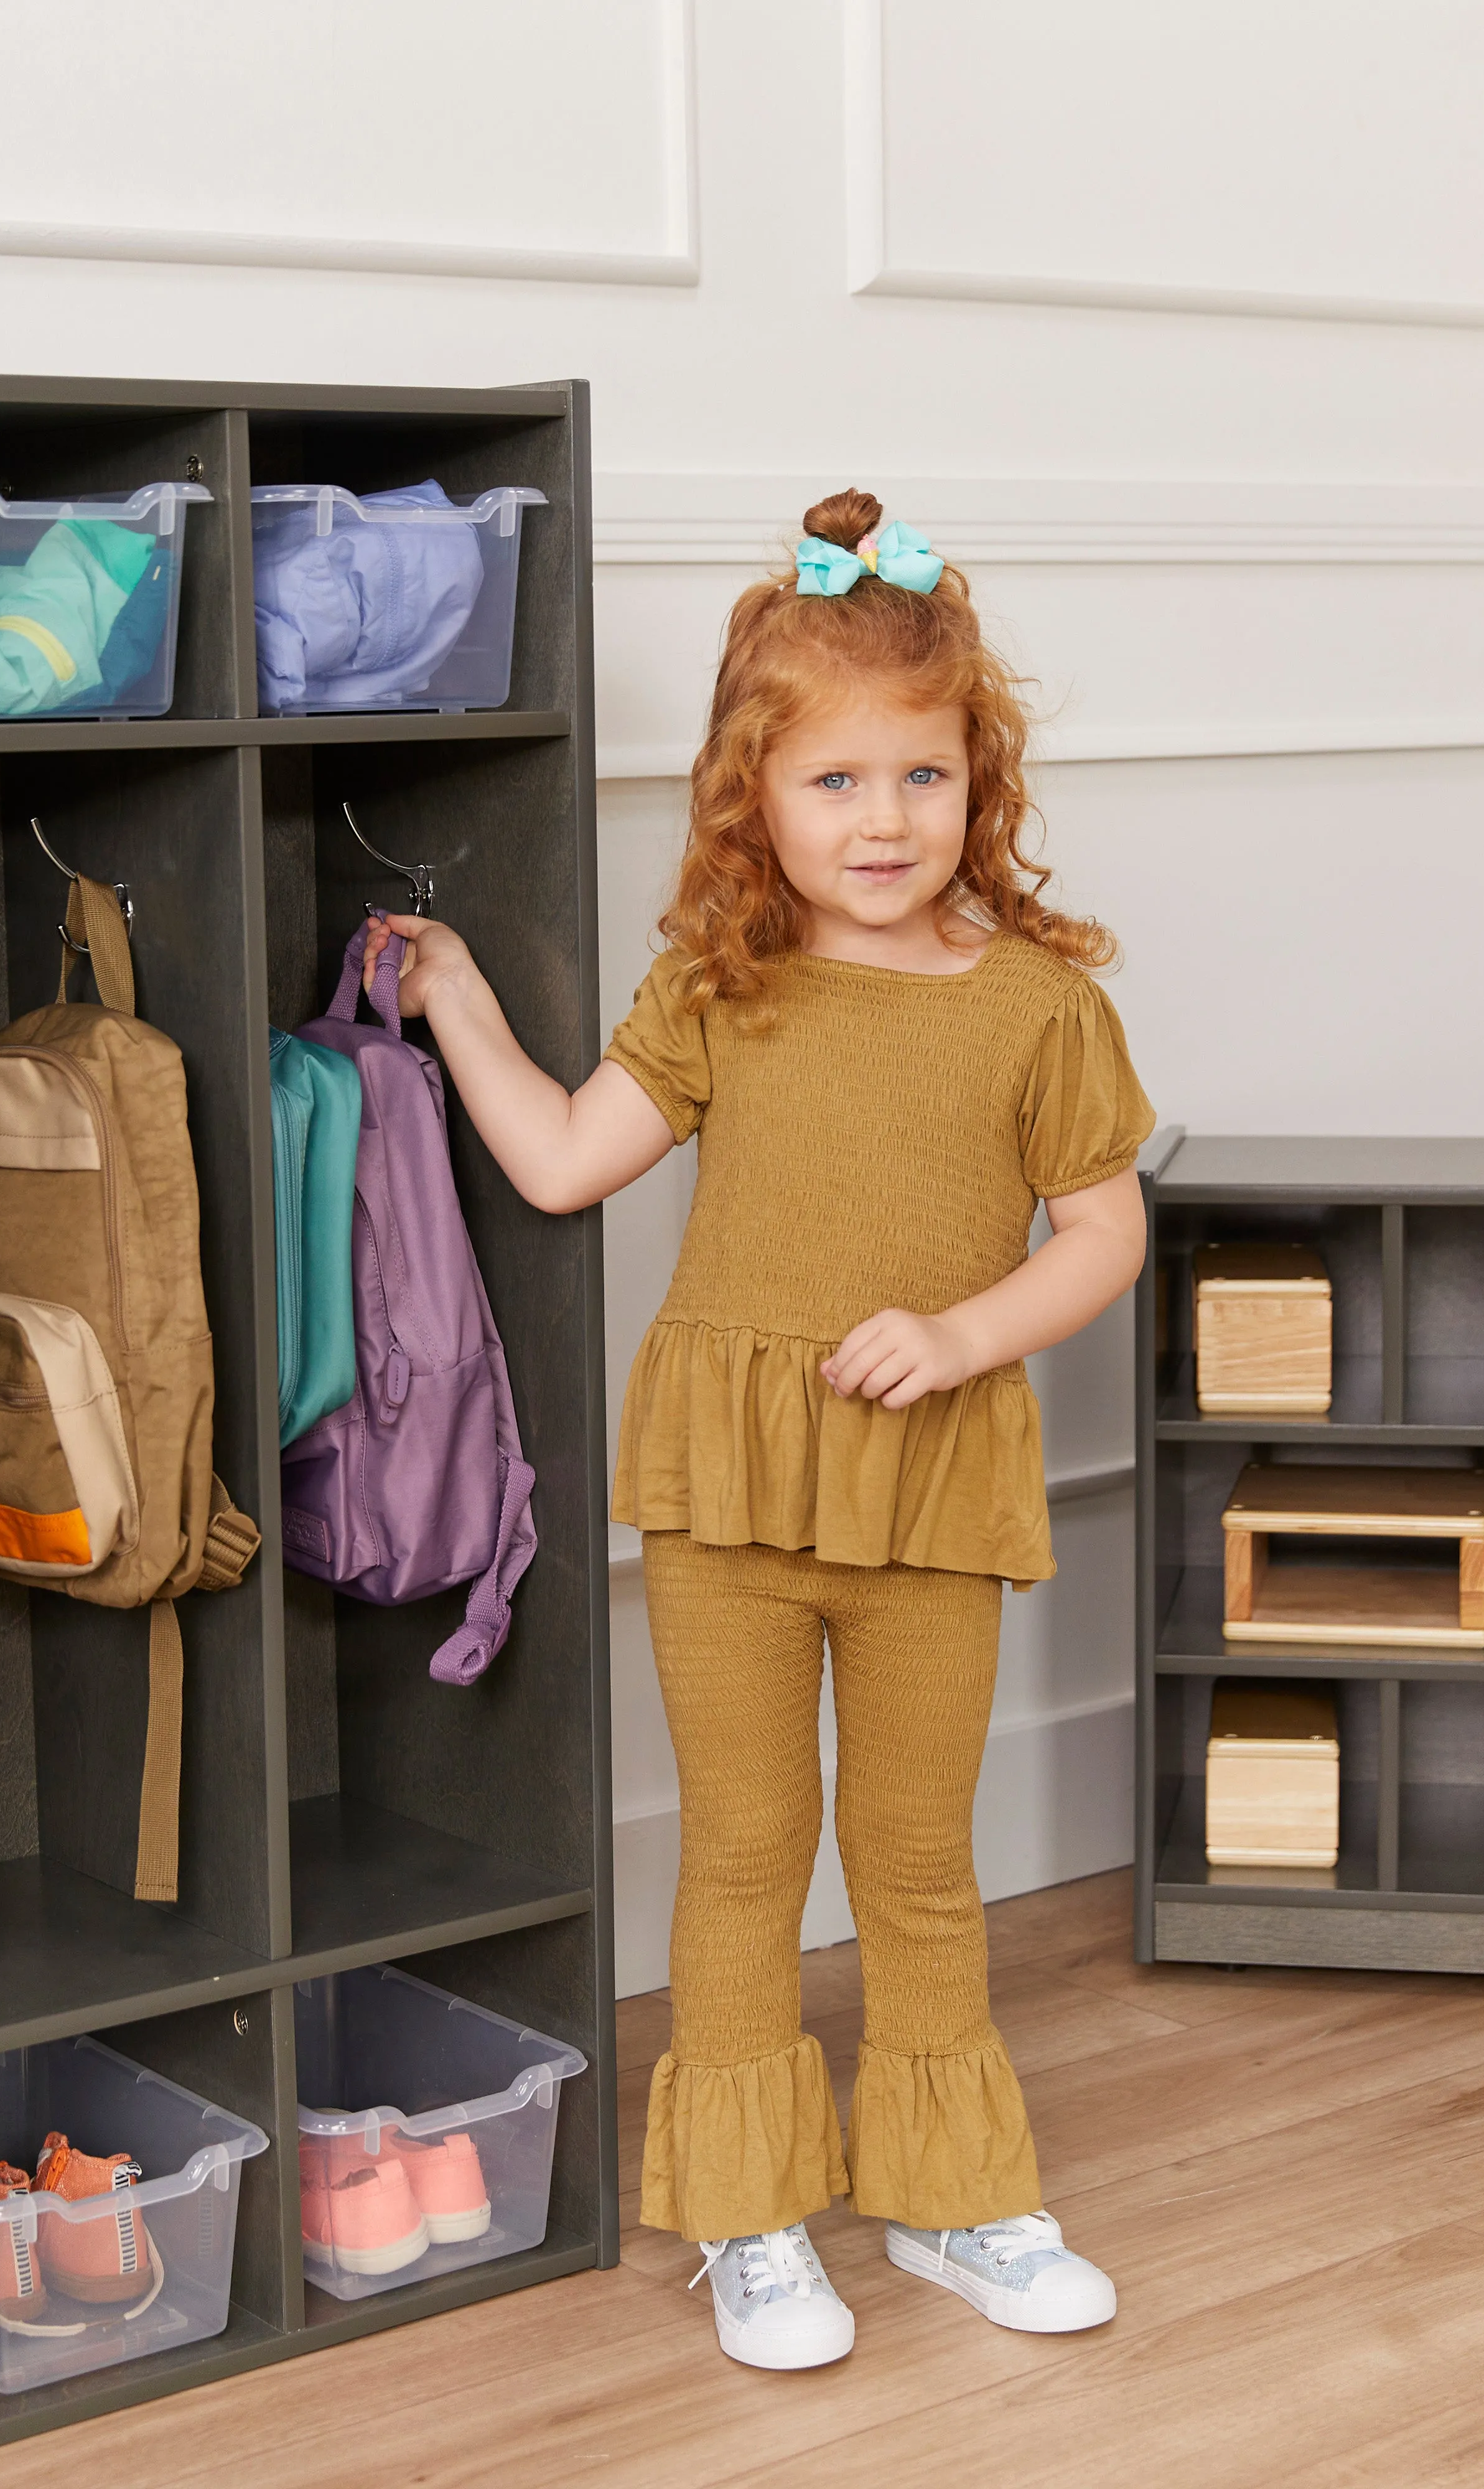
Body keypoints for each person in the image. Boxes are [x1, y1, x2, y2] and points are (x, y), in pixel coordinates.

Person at [360, 490, 1151, 2371]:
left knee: (917, 1847)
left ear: (980, 788)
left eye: (925, 780)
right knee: (742, 1847)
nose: (884, 823)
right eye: (837, 783)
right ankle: (747, 2216)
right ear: (754, 797)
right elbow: (558, 1162)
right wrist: (461, 999)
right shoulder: (723, 994)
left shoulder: (1041, 1008)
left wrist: (964, 1329)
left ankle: (953, 2197)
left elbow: (1107, 1231)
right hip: (728, 1491)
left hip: (935, 1495)